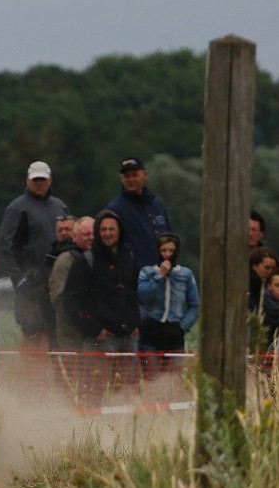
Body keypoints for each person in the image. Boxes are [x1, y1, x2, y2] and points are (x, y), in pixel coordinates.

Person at [0, 160, 69, 347]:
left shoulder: (59, 206)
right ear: (27, 181)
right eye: (35, 179)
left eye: (42, 179)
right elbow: (6, 246)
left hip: (53, 282)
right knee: (31, 331)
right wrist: (19, 279)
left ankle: (48, 376)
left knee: (52, 333)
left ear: (50, 181)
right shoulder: (17, 208)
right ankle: (27, 375)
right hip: (29, 284)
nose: (39, 183)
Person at [66, 209, 140, 356]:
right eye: (103, 229)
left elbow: (136, 292)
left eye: (111, 229)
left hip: (129, 338)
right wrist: (93, 329)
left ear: (119, 231)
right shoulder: (86, 261)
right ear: (98, 233)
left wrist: (137, 323)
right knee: (98, 380)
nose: (108, 233)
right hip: (100, 340)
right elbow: (70, 300)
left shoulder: (130, 257)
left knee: (129, 380)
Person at [137, 232, 199, 369]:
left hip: (174, 334)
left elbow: (195, 305)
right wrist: (159, 276)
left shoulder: (185, 274)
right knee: (151, 380)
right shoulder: (147, 272)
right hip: (151, 333)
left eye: (171, 251)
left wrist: (182, 327)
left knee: (173, 382)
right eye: (163, 250)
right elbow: (142, 297)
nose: (167, 254)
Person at [104, 157, 171, 269]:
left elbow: (170, 239)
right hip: (134, 277)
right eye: (127, 176)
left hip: (162, 273)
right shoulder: (115, 210)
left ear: (145, 175)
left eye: (134, 175)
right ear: (121, 179)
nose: (130, 179)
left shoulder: (157, 206)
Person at [48, 215, 94, 350]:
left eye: (93, 233)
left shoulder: (102, 258)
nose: (91, 237)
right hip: (71, 332)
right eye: (86, 234)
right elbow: (58, 298)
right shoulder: (65, 260)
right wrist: (83, 316)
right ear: (74, 236)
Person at [248, 246, 279, 311]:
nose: (270, 272)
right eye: (267, 268)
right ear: (254, 266)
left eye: (273, 269)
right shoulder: (248, 286)